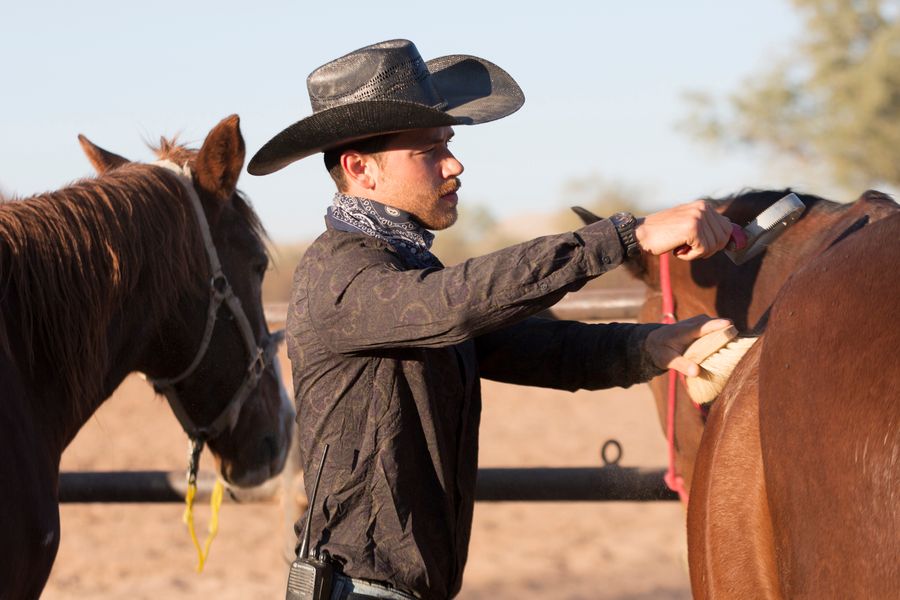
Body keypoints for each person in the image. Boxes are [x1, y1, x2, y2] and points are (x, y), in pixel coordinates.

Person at [249, 39, 737, 600]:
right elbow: (455, 302)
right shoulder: (340, 273)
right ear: (361, 169)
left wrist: (655, 346)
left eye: (448, 144)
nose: (454, 164)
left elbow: (534, 347)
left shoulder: (402, 271)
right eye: (430, 150)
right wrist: (630, 236)